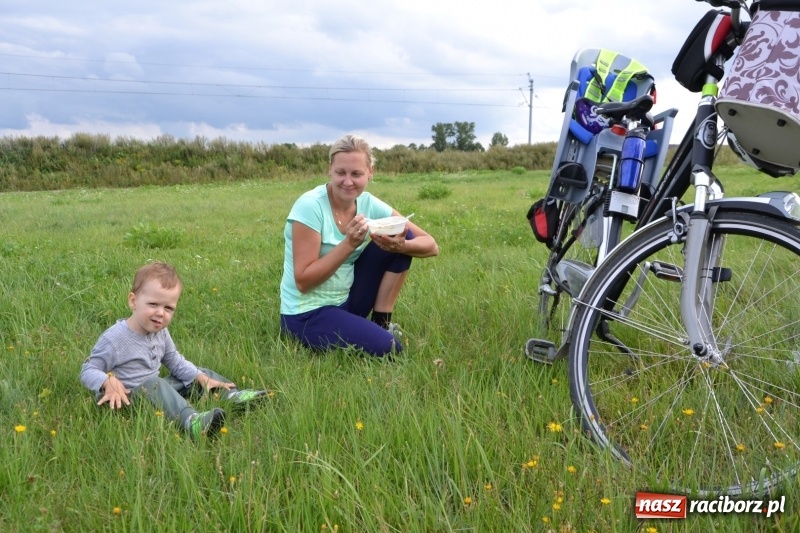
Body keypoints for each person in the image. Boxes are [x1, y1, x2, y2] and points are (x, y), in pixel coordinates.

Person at [280, 134, 439, 358]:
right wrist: (348, 244)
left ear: (370, 173)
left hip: (347, 301)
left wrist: (400, 245)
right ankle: (370, 333)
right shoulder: (310, 207)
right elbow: (303, 282)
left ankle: (382, 322)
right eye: (340, 172)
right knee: (391, 348)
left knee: (404, 235)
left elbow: (431, 245)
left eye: (356, 174)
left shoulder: (367, 203)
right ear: (329, 169)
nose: (348, 181)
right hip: (307, 313)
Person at [80, 262, 268, 440]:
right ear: (133, 301)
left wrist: (199, 376)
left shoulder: (161, 332)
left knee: (196, 372)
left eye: (168, 308)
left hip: (156, 390)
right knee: (155, 384)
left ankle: (230, 395)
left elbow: (175, 362)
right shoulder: (115, 338)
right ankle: (192, 422)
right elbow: (88, 370)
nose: (161, 313)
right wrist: (107, 381)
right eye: (153, 304)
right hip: (128, 399)